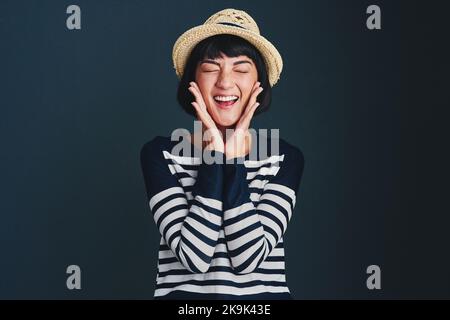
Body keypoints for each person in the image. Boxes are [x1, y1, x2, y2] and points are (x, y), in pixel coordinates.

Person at [140, 8, 305, 299]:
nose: (225, 82)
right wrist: (215, 156)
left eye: (241, 69)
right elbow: (194, 257)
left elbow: (249, 257)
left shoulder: (284, 157)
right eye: (210, 68)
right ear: (192, 82)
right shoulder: (161, 154)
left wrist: (231, 160)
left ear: (259, 84)